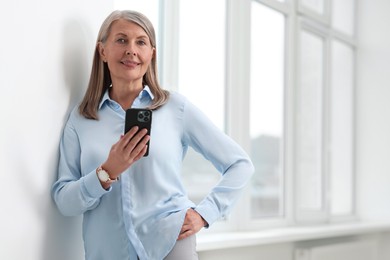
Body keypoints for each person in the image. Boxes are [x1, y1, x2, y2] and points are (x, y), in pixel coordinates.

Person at [52, 10, 254, 260]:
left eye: (141, 42)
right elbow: (64, 201)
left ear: (151, 53)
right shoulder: (82, 118)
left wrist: (205, 214)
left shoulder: (175, 108)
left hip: (170, 245)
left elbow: (240, 164)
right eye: (121, 40)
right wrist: (106, 173)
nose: (131, 50)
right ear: (102, 51)